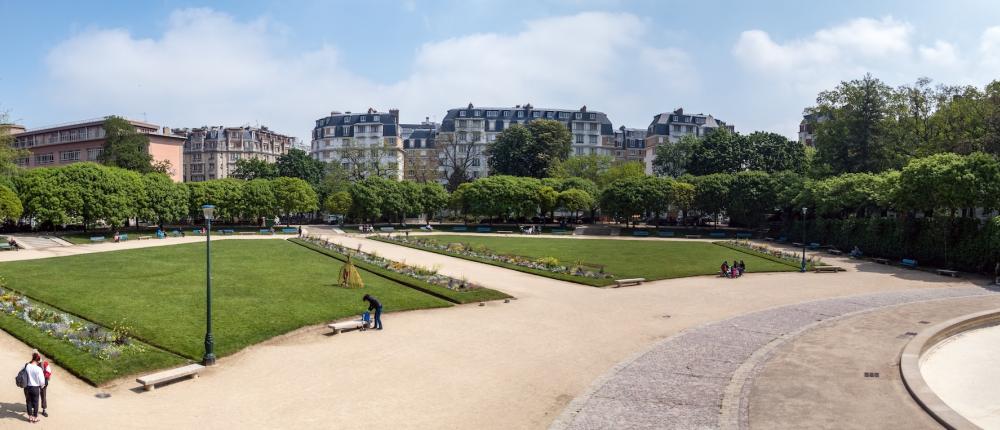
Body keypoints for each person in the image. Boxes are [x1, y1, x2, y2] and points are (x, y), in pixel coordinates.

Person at [22, 352, 45, 422]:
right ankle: (35, 417)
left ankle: (30, 417)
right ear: (38, 361)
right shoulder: (38, 369)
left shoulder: (27, 365)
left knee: (28, 402)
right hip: (35, 388)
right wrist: (42, 385)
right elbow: (42, 381)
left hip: (27, 387)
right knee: (35, 402)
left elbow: (22, 372)